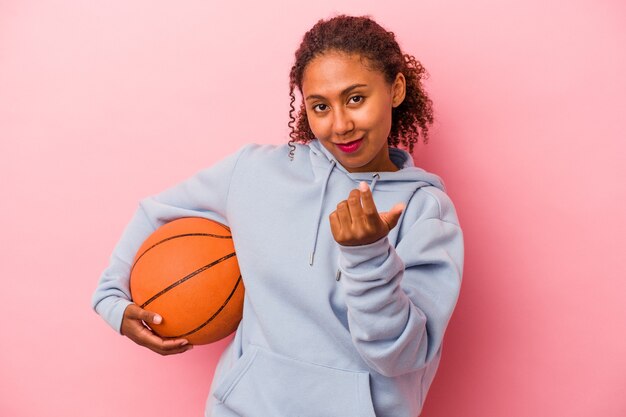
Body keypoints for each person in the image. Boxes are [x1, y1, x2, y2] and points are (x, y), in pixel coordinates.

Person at [92, 14, 464, 417]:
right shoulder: (254, 171)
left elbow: (401, 358)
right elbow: (156, 213)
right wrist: (112, 300)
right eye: (320, 106)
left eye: (355, 98)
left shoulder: (425, 212)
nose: (340, 125)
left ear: (395, 89)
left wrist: (368, 257)